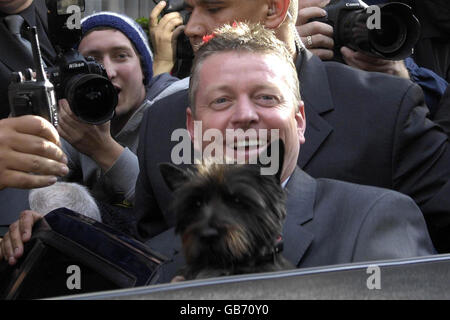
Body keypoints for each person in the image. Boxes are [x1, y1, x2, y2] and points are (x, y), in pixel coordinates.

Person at [0, 23, 435, 277]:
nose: (244, 116)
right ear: (193, 128)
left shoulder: (375, 218)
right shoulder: (166, 251)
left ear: (299, 120)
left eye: (266, 98)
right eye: (221, 100)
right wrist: (50, 232)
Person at [131, 0, 450, 253]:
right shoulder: (161, 122)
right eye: (190, 10)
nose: (193, 27)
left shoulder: (386, 108)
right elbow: (157, 255)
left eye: (213, 7)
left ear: (274, 8)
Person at [58, 12, 185, 208]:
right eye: (91, 61)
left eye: (121, 56)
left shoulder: (175, 108)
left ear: (144, 69)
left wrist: (103, 149)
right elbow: (38, 183)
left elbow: (175, 208)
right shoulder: (75, 116)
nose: (108, 72)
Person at [296, 0, 449, 118]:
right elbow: (274, 151)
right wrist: (279, 50)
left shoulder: (431, 13)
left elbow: (442, 124)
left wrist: (406, 78)